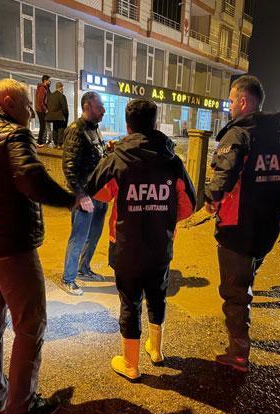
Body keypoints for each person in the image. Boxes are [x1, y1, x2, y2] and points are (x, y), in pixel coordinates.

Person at [0, 78, 77, 414]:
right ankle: (22, 407)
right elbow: (30, 178)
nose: (31, 113)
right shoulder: (13, 134)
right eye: (27, 106)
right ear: (8, 102)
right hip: (11, 250)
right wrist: (70, 200)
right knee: (30, 325)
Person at [205, 75, 280, 372]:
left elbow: (223, 177)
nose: (229, 107)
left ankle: (238, 353)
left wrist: (212, 198)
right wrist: (274, 188)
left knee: (235, 293)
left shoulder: (239, 134)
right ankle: (240, 334)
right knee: (246, 280)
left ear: (243, 101)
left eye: (230, 101)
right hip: (268, 227)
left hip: (238, 230)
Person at [85, 99, 196, 380]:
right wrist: (162, 218)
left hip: (125, 246)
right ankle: (156, 350)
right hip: (160, 245)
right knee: (158, 295)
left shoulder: (118, 159)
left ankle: (131, 364)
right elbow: (189, 205)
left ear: (128, 125)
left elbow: (95, 192)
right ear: (155, 124)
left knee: (129, 302)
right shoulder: (173, 161)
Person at [60, 91, 109, 296]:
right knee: (79, 236)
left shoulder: (94, 129)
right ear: (87, 106)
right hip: (85, 196)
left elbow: (99, 155)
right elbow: (69, 166)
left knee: (94, 235)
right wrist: (81, 196)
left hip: (99, 194)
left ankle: (84, 268)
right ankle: (68, 278)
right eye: (100, 108)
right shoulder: (76, 130)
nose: (103, 111)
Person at [45, 82, 69, 148]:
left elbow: (47, 105)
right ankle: (60, 144)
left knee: (55, 128)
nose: (63, 89)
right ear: (61, 87)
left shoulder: (50, 95)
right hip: (60, 116)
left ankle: (55, 143)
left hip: (52, 116)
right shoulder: (62, 96)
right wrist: (66, 116)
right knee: (61, 129)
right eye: (62, 88)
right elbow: (65, 107)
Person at [34, 75, 51, 146]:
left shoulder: (45, 88)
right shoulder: (42, 89)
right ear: (45, 81)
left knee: (43, 126)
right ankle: (39, 142)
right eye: (49, 81)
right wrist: (45, 109)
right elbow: (40, 101)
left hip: (40, 109)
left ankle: (40, 141)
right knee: (43, 126)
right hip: (41, 110)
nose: (50, 82)